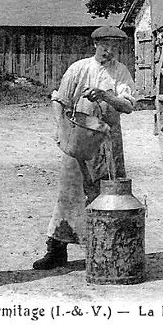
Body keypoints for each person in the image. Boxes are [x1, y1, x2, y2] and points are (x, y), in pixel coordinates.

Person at [33, 26, 136, 270]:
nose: (109, 51)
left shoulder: (120, 72)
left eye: (114, 46)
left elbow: (128, 106)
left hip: (108, 141)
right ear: (95, 45)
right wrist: (61, 129)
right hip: (79, 139)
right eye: (104, 46)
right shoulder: (79, 69)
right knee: (70, 193)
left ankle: (107, 247)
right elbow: (60, 100)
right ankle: (56, 249)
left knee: (108, 192)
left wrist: (104, 95)